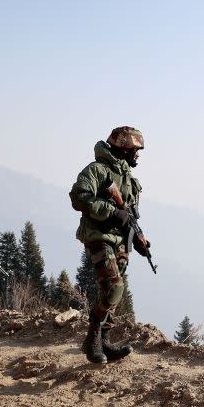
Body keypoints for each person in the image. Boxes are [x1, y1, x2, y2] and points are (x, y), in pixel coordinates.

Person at [69, 126, 148, 364]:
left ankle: (104, 340)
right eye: (135, 150)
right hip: (98, 236)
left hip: (120, 241)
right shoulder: (96, 171)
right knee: (113, 286)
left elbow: (129, 216)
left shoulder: (129, 179)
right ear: (124, 148)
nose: (137, 156)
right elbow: (78, 197)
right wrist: (112, 212)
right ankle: (92, 339)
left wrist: (139, 238)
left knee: (115, 291)